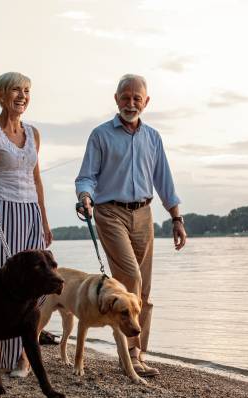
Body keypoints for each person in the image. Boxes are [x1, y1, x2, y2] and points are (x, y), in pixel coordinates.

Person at [75, 74, 187, 377]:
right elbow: (87, 176)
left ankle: (138, 352)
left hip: (144, 214)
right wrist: (85, 196)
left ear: (146, 102)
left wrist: (176, 218)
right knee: (132, 278)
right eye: (126, 97)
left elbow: (164, 180)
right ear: (116, 99)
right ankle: (132, 357)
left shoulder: (153, 137)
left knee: (144, 291)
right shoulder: (100, 135)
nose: (131, 102)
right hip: (109, 212)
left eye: (137, 98)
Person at [0, 72, 53, 378]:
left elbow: (36, 178)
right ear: (1, 95)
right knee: (1, 284)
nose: (22, 96)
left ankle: (23, 354)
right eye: (16, 90)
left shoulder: (34, 133)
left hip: (31, 212)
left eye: (26, 91)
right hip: (0, 210)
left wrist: (45, 219)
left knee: (40, 284)